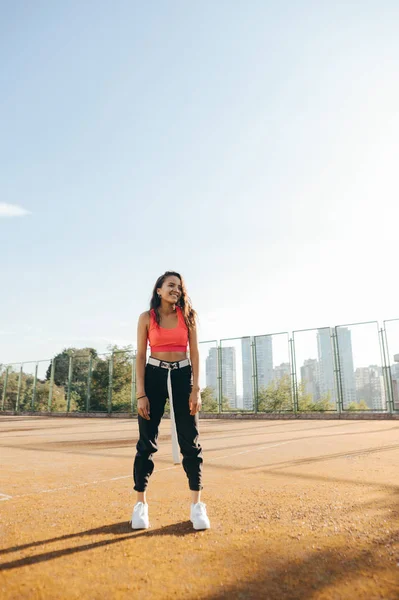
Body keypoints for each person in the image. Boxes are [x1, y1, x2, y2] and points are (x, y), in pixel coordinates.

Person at [131, 271, 210, 531]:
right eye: (170, 285)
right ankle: (141, 504)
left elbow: (195, 354)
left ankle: (196, 506)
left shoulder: (188, 316)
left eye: (179, 286)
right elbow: (141, 355)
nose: (176, 290)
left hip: (182, 375)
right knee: (147, 440)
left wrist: (195, 388)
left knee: (190, 440)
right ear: (159, 290)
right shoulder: (146, 318)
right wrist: (141, 393)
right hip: (154, 375)